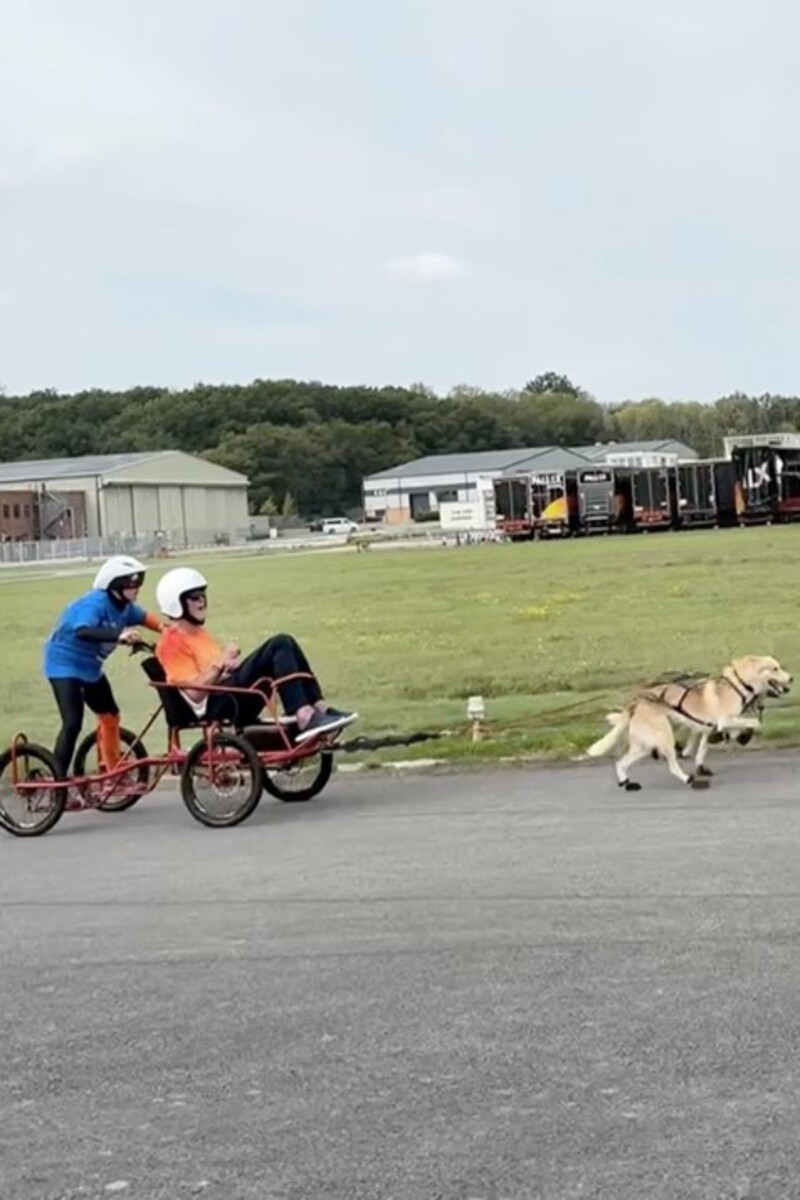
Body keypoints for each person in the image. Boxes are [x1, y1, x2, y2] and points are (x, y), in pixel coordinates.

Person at [154, 567, 356, 742]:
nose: (202, 602)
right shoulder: (171, 642)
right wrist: (222, 661)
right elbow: (194, 693)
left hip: (228, 695)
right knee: (279, 643)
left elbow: (213, 674)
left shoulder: (199, 634)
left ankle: (319, 708)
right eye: (195, 597)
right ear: (176, 603)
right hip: (219, 705)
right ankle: (303, 714)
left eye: (203, 595)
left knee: (288, 643)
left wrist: (227, 668)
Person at [43, 555, 162, 775]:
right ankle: (57, 783)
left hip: (90, 669)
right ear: (116, 585)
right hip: (63, 665)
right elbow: (83, 630)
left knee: (110, 715)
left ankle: (111, 771)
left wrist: (170, 631)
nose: (137, 589)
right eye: (133, 583)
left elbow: (147, 618)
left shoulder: (125, 607)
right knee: (72, 723)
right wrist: (119, 635)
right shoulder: (95, 603)